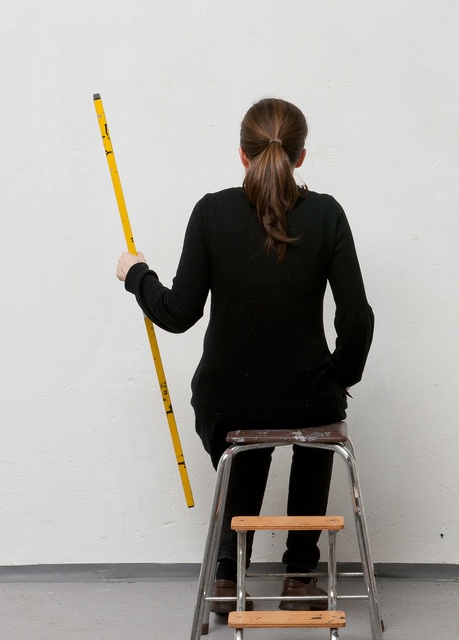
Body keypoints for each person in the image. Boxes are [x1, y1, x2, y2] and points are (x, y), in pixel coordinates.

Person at [116, 97, 374, 612]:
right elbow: (357, 317)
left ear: (242, 154)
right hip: (306, 398)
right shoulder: (325, 214)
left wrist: (136, 275)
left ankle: (227, 576)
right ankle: (300, 576)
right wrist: (339, 379)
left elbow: (177, 313)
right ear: (300, 157)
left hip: (227, 400)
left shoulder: (211, 212)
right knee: (314, 419)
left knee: (246, 423)